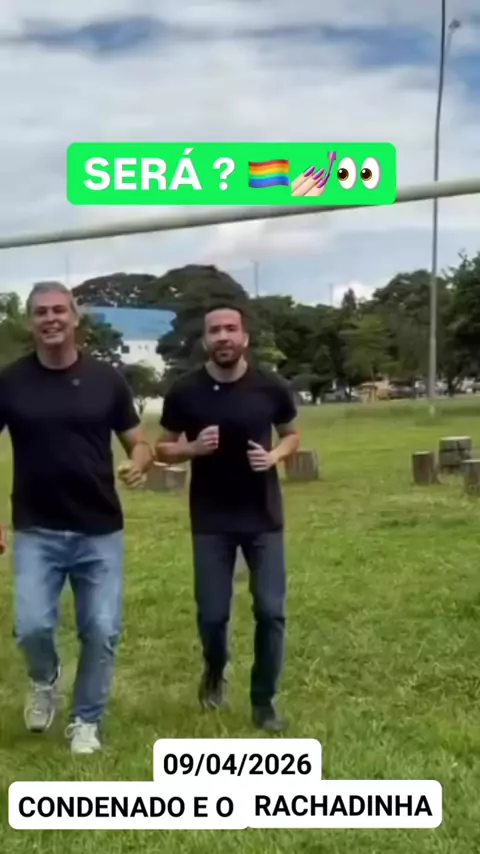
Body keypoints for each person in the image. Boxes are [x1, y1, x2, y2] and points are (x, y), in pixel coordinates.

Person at [0, 281, 152, 754]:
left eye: (58, 310)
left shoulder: (107, 380)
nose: (51, 319)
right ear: (30, 321)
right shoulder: (10, 381)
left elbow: (138, 442)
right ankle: (44, 679)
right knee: (31, 626)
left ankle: (86, 721)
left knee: (101, 630)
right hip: (35, 529)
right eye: (41, 312)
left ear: (75, 316)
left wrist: (139, 463)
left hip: (99, 530)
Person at [155, 304, 299, 731]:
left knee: (270, 611)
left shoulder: (270, 386)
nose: (223, 336)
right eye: (215, 330)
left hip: (263, 517)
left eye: (230, 329)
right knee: (212, 615)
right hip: (211, 519)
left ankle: (264, 701)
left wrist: (273, 456)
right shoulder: (186, 391)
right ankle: (215, 669)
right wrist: (192, 449)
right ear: (205, 340)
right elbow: (163, 447)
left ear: (244, 337)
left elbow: (291, 436)